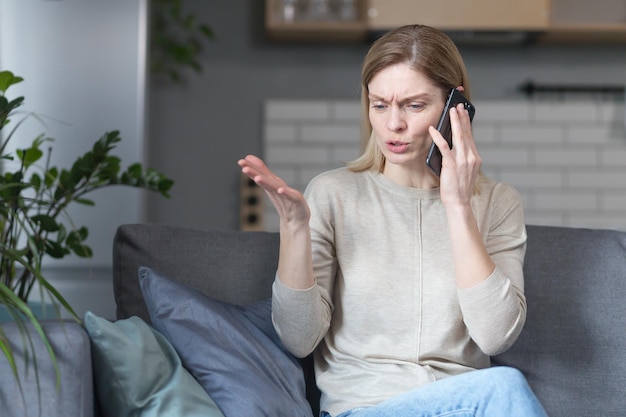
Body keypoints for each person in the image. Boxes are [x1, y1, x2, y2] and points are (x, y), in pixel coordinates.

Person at [239, 24, 548, 417]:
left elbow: (495, 335)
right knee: (505, 388)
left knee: (503, 388)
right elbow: (299, 340)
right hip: (365, 409)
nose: (393, 124)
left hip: (464, 407)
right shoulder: (334, 194)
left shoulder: (498, 203)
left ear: (455, 106)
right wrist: (295, 230)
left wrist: (457, 207)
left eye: (414, 106)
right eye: (380, 104)